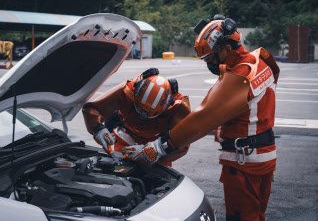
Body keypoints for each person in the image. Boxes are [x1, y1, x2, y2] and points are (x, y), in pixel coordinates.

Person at [122, 15, 280, 221]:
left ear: (226, 47)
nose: (210, 64)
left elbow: (203, 118)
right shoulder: (260, 61)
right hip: (265, 155)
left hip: (244, 162)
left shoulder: (241, 73)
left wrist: (158, 147)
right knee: (258, 215)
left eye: (212, 57)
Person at [82, 68, 191, 166]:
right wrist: (97, 128)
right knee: (118, 167)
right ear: (135, 93)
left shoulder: (178, 106)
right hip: (127, 136)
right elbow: (93, 109)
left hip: (159, 141)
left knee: (158, 174)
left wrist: (157, 149)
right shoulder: (127, 90)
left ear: (168, 104)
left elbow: (182, 142)